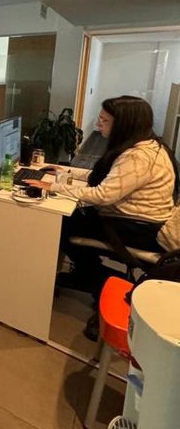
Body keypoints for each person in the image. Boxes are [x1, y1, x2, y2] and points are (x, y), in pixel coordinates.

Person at [26, 96, 179, 334]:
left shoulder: (138, 156)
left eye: (104, 120)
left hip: (137, 229)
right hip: (139, 221)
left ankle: (101, 280)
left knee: (59, 225)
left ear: (124, 124)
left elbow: (102, 194)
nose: (98, 125)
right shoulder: (148, 147)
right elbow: (109, 179)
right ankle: (87, 272)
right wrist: (65, 171)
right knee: (68, 218)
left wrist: (52, 186)